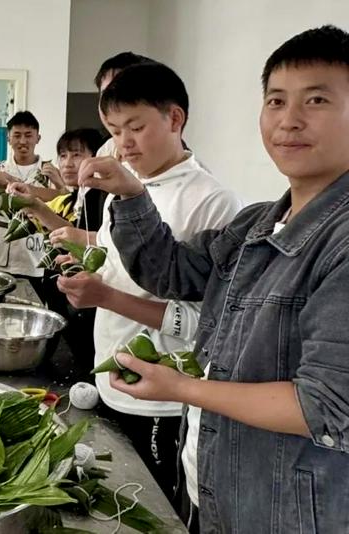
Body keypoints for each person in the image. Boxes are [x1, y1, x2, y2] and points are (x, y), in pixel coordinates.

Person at [71, 25, 349, 534]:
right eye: (275, 101)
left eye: (316, 100)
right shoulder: (255, 225)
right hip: (213, 476)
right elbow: (169, 272)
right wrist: (133, 196)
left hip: (284, 507)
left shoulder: (339, 241)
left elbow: (325, 406)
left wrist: (184, 388)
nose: (289, 120)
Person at [57, 62, 243, 500]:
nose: (123, 142)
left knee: (152, 506)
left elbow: (202, 324)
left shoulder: (213, 201)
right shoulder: (128, 183)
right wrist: (86, 268)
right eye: (115, 129)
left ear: (174, 118)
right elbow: (115, 267)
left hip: (163, 398)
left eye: (135, 127)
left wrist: (106, 295)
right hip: (111, 374)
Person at [7, 128, 107, 378]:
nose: (68, 163)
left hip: (86, 304)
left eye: (77, 155)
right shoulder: (76, 196)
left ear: (96, 157)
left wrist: (35, 206)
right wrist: (32, 204)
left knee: (86, 364)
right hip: (66, 298)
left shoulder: (100, 197)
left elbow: (82, 240)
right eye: (63, 156)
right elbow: (60, 224)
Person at [0, 111, 59, 299]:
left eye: (28, 135)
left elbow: (58, 202)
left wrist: (9, 181)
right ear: (8, 138)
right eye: (17, 135)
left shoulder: (49, 171)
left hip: (35, 257)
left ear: (38, 138)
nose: (22, 141)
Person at [93, 52, 156, 160]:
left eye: (123, 94)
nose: (112, 105)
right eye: (105, 95)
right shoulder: (107, 150)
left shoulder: (167, 157)